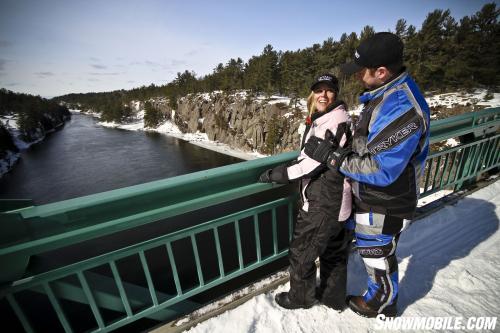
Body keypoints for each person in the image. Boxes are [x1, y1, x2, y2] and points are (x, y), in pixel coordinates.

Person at [303, 32, 430, 318]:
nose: (359, 76)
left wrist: (333, 157)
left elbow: (380, 168)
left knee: (378, 255)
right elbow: (373, 145)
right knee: (377, 251)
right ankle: (381, 295)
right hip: (376, 196)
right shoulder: (385, 96)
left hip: (387, 200)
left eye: (362, 70)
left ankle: (380, 303)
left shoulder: (401, 108)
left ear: (381, 71)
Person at [258, 73, 353, 311]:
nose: (323, 95)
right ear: (313, 93)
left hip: (323, 204)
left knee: (302, 255)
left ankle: (300, 299)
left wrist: (274, 175)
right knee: (334, 253)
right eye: (319, 90)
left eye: (329, 90)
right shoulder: (331, 119)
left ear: (335, 94)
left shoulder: (332, 123)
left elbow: (308, 166)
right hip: (339, 200)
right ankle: (333, 298)